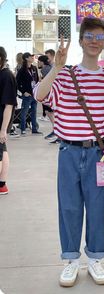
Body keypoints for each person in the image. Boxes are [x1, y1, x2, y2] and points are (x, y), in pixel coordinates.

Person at [34, 17, 104, 287]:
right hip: (69, 152)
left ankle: (95, 258)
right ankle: (71, 260)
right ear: (82, 40)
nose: (94, 41)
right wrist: (56, 68)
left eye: (99, 37)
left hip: (99, 153)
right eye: (89, 36)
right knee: (70, 208)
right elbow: (39, 95)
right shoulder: (65, 74)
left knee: (97, 207)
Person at [0, 47, 17, 195]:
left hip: (1, 122)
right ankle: (2, 185)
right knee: (2, 150)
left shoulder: (6, 76)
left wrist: (3, 129)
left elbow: (9, 105)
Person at [16, 52, 42, 135]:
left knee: (34, 112)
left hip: (34, 94)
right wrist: (24, 92)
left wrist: (38, 91)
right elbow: (17, 83)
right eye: (31, 56)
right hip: (27, 95)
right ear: (26, 58)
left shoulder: (34, 68)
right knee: (24, 112)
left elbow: (37, 80)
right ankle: (23, 129)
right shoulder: (22, 70)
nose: (33, 57)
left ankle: (34, 129)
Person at [37, 55, 56, 140]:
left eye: (39, 61)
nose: (38, 63)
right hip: (51, 93)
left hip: (48, 94)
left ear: (41, 62)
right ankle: (55, 129)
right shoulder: (50, 67)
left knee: (49, 112)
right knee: (49, 112)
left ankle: (55, 130)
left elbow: (46, 82)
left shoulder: (45, 69)